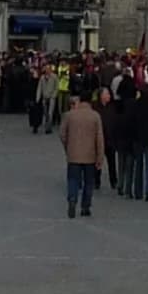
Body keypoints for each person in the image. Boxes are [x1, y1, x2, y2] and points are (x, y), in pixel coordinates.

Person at [60, 76, 107, 217]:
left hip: (73, 154)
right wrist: (100, 156)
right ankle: (85, 206)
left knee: (73, 179)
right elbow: (99, 138)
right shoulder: (95, 116)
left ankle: (72, 199)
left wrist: (68, 146)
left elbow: (62, 134)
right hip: (90, 155)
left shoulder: (70, 115)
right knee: (88, 182)